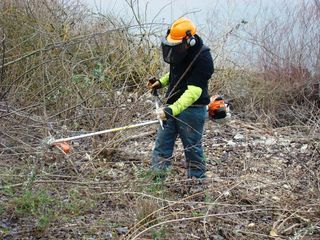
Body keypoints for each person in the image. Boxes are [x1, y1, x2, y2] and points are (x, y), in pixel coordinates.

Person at [147, 17, 214, 179]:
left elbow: (194, 92)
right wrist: (160, 82)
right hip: (172, 108)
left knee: (192, 148)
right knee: (162, 146)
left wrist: (170, 110)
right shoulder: (180, 51)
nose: (174, 47)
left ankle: (196, 183)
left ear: (189, 41)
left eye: (176, 44)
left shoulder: (204, 59)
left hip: (192, 110)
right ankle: (157, 180)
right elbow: (177, 73)